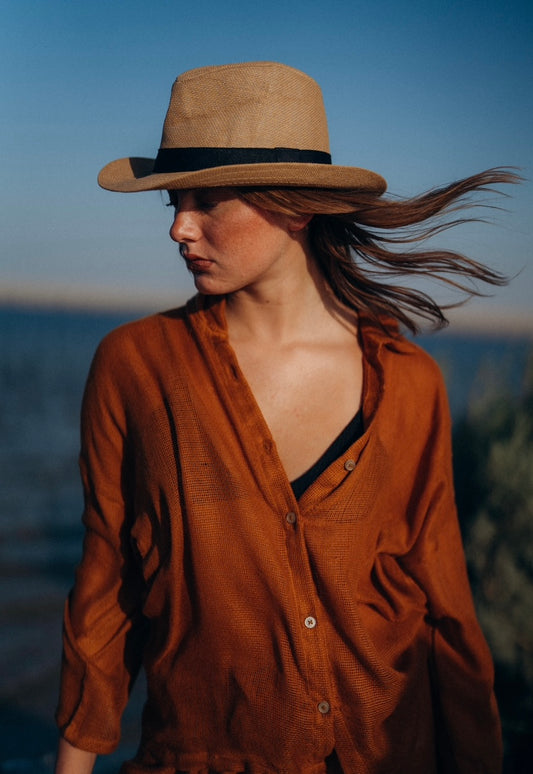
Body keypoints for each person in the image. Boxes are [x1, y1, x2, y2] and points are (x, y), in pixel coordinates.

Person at [55, 61, 517, 774]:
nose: (179, 226)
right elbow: (106, 586)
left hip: (390, 751)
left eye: (208, 201)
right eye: (175, 199)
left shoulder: (406, 383)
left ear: (295, 206)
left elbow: (444, 604)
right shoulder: (135, 367)